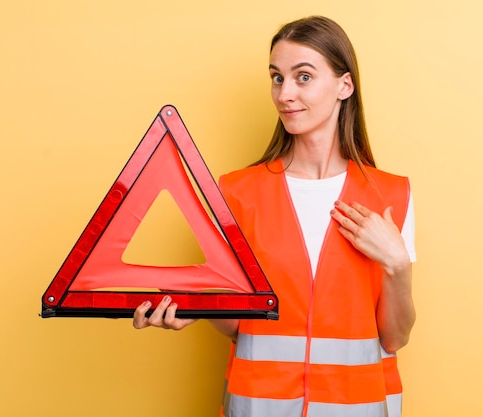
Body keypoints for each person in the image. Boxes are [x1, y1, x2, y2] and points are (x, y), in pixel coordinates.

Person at [133, 15, 416, 417]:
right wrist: (201, 310)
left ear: (344, 86)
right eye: (277, 77)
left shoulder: (390, 194)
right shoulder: (237, 192)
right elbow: (240, 326)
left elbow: (395, 336)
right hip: (258, 407)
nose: (285, 94)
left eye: (303, 77)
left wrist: (398, 265)